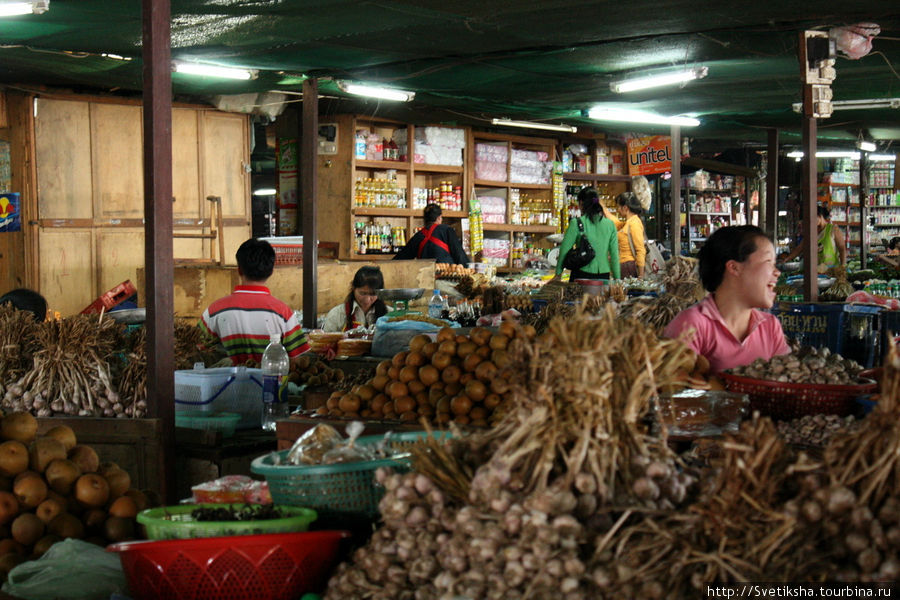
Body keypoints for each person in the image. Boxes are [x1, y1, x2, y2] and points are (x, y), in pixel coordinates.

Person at [664, 225, 790, 374]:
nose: (777, 272)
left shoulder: (770, 327)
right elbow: (674, 389)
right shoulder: (691, 326)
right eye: (769, 261)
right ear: (734, 268)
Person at [199, 238, 309, 365]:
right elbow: (298, 360)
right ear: (271, 271)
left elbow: (197, 350)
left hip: (224, 384)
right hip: (270, 384)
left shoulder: (214, 311)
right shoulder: (283, 313)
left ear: (239, 270)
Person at [553, 187, 620, 281]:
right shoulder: (610, 225)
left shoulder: (576, 223)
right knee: (600, 296)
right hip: (603, 275)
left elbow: (564, 250)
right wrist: (617, 278)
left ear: (581, 203)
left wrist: (558, 273)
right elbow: (614, 255)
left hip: (581, 273)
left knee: (579, 296)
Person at [393, 204, 469, 265]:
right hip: (447, 278)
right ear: (439, 218)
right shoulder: (447, 230)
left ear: (424, 219)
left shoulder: (418, 236)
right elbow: (460, 256)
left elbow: (400, 259)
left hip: (425, 278)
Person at [780, 205, 846, 273]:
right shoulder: (811, 231)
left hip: (832, 270)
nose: (811, 222)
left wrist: (843, 266)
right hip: (816, 272)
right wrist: (787, 259)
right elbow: (799, 248)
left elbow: (842, 249)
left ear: (820, 216)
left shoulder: (833, 229)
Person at [322, 266, 389, 332]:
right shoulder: (336, 315)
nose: (367, 300)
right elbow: (326, 341)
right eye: (362, 293)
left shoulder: (390, 314)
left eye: (373, 294)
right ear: (353, 288)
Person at [604, 191, 647, 278]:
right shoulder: (628, 223)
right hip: (625, 267)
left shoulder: (635, 223)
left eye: (619, 207)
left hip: (629, 268)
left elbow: (640, 250)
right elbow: (616, 223)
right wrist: (602, 206)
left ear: (625, 208)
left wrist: (641, 275)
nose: (617, 210)